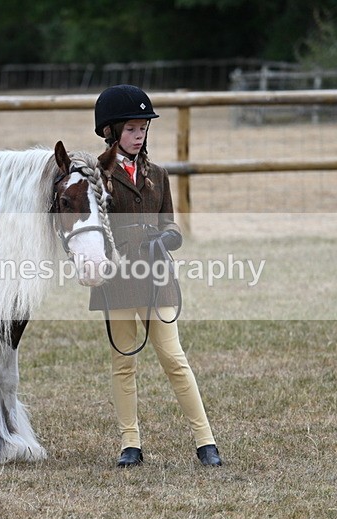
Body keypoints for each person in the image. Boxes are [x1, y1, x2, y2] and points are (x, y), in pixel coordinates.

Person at [91, 84, 222, 468]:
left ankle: (205, 441)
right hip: (117, 279)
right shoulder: (96, 177)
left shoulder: (159, 175)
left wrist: (166, 237)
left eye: (143, 129)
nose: (139, 135)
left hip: (156, 278)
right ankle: (130, 443)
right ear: (111, 131)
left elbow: (172, 227)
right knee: (123, 363)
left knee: (174, 358)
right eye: (132, 129)